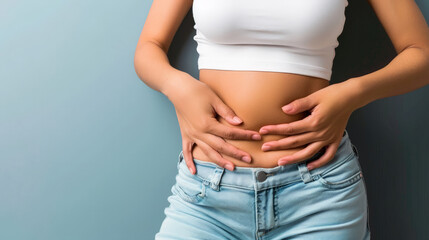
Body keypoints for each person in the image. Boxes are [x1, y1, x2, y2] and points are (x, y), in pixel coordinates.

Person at [134, 0, 429, 239]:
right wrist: (178, 88)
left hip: (318, 195)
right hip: (207, 192)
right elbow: (149, 45)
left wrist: (352, 93)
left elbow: (422, 55)